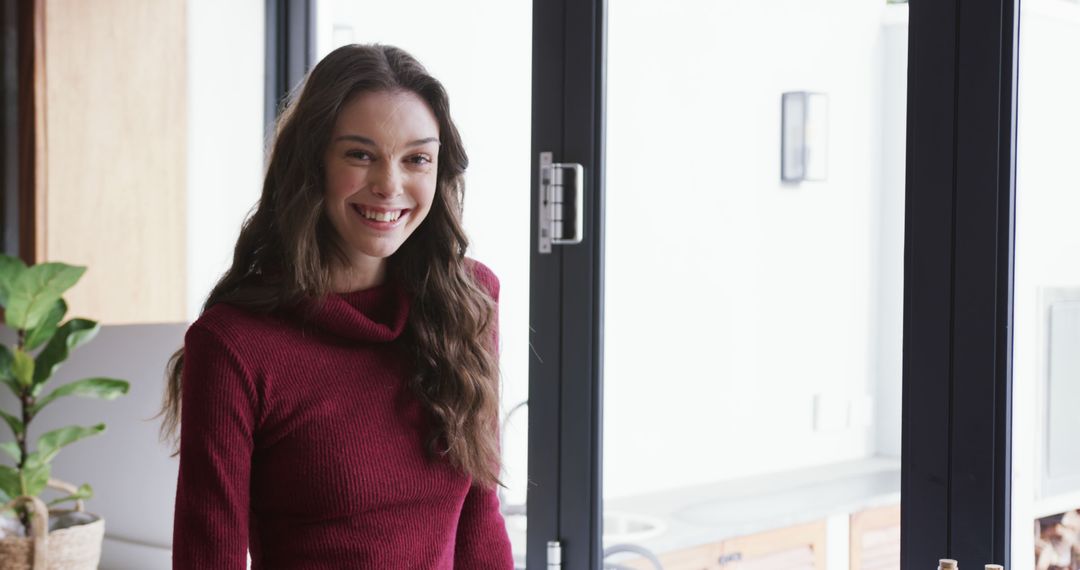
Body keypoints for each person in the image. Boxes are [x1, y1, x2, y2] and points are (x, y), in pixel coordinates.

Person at [157, 44, 514, 569]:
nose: (390, 186)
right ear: (313, 163)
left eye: (417, 158)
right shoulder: (234, 344)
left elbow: (481, 520)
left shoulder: (467, 301)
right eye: (360, 154)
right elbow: (209, 557)